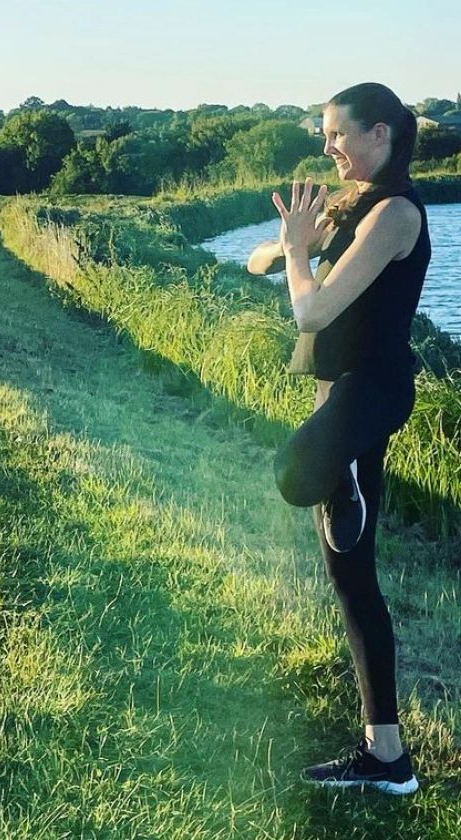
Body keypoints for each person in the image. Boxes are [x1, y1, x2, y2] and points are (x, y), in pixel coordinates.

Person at [248, 82, 429, 795]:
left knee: (296, 473)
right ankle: (388, 757)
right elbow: (262, 266)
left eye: (336, 134)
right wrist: (291, 245)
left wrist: (299, 256)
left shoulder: (396, 213)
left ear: (379, 135)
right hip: (346, 396)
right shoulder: (357, 209)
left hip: (371, 391)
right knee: (351, 579)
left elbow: (313, 312)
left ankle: (339, 475)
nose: (327, 148)